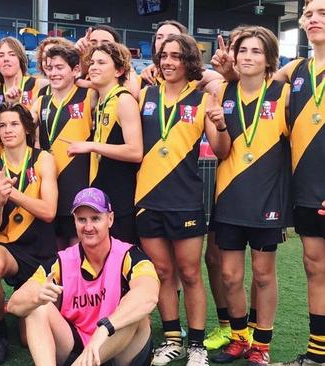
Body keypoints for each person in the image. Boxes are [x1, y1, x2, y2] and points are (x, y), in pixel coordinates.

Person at [136, 34, 224, 365]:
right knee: (161, 271)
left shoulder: (203, 100)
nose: (169, 61)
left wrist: (221, 126)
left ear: (188, 62)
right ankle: (172, 338)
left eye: (176, 56)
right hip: (147, 198)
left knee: (189, 273)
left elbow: (220, 149)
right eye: (164, 56)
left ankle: (197, 345)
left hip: (186, 199)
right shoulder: (144, 94)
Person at [207, 26, 289, 365]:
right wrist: (222, 124)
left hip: (268, 199)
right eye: (243, 51)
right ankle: (240, 338)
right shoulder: (221, 92)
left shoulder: (283, 94)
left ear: (269, 58)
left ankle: (262, 345)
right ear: (235, 57)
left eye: (256, 51)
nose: (248, 57)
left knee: (264, 273)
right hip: (229, 196)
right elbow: (220, 150)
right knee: (229, 275)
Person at [7, 187, 159, 366]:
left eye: (95, 218)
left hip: (118, 347)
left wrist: (105, 328)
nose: (88, 227)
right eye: (81, 219)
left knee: (136, 314)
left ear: (110, 219)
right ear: (74, 222)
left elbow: (148, 296)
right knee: (37, 307)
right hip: (77, 346)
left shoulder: (130, 255)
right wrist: (37, 297)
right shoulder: (61, 261)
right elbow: (13, 304)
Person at [0, 102, 58, 364]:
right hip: (9, 248)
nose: (8, 130)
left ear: (26, 128)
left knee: (27, 338)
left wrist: (12, 193)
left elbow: (48, 211)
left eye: (14, 124)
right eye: (2, 125)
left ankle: (23, 302)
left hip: (42, 250)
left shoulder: (43, 159)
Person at [269, 1, 325, 364]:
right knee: (314, 266)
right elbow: (255, 83)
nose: (314, 20)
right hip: (308, 191)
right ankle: (318, 353)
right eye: (309, 14)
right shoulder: (297, 69)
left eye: (323, 12)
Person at [66, 43, 142, 245]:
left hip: (122, 197)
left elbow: (135, 151)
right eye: (92, 63)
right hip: (104, 191)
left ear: (119, 70)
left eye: (101, 62)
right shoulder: (101, 101)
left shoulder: (124, 100)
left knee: (122, 262)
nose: (93, 67)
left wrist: (91, 146)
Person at [32, 43, 93, 249]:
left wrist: (89, 83)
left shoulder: (88, 96)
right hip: (50, 185)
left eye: (60, 67)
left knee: (79, 251)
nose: (53, 73)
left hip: (79, 184)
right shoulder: (41, 101)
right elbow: (25, 126)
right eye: (50, 68)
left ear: (75, 70)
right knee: (55, 253)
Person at [0, 37, 49, 112]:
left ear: (21, 58)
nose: (6, 59)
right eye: (1, 56)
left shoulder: (40, 85)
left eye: (12, 54)